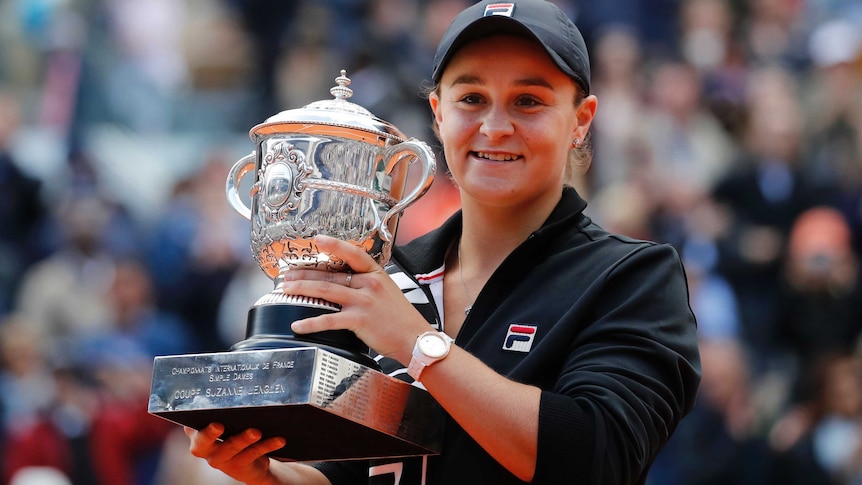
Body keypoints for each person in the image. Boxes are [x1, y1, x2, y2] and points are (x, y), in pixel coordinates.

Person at [186, 1, 701, 483]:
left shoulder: (632, 276)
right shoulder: (387, 281)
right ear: (437, 114)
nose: (495, 127)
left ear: (581, 120)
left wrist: (419, 346)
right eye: (471, 98)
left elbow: (598, 458)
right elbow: (359, 472)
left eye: (529, 101)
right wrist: (271, 475)